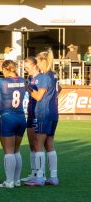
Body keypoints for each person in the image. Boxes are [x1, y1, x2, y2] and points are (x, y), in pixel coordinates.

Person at [0, 60, 26, 188]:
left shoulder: (2, 81)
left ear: (4, 69)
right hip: (21, 117)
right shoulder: (22, 80)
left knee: (8, 152)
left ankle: (9, 182)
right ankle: (17, 180)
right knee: (16, 151)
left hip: (7, 117)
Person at [25, 50, 59, 186]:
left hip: (43, 113)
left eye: (38, 61)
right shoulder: (53, 74)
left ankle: (39, 177)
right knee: (49, 145)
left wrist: (28, 89)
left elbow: (38, 96)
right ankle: (54, 176)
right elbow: (59, 88)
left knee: (38, 144)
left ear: (42, 61)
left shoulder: (44, 76)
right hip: (53, 113)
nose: (36, 63)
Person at [21, 56, 40, 183]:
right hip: (30, 112)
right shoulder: (30, 78)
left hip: (38, 113)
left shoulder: (41, 77)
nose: (25, 67)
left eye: (26, 65)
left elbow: (57, 89)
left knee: (38, 145)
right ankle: (34, 173)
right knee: (32, 145)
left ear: (33, 64)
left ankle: (39, 173)